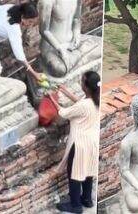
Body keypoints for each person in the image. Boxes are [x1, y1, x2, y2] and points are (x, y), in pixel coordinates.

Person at [49, 71, 100, 213]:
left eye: (82, 81)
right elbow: (80, 102)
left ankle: (75, 205)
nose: (80, 82)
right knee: (88, 172)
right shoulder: (96, 100)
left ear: (86, 87)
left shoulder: (85, 104)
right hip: (92, 143)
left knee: (75, 174)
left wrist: (51, 98)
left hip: (79, 144)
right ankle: (87, 199)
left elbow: (63, 113)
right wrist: (65, 91)